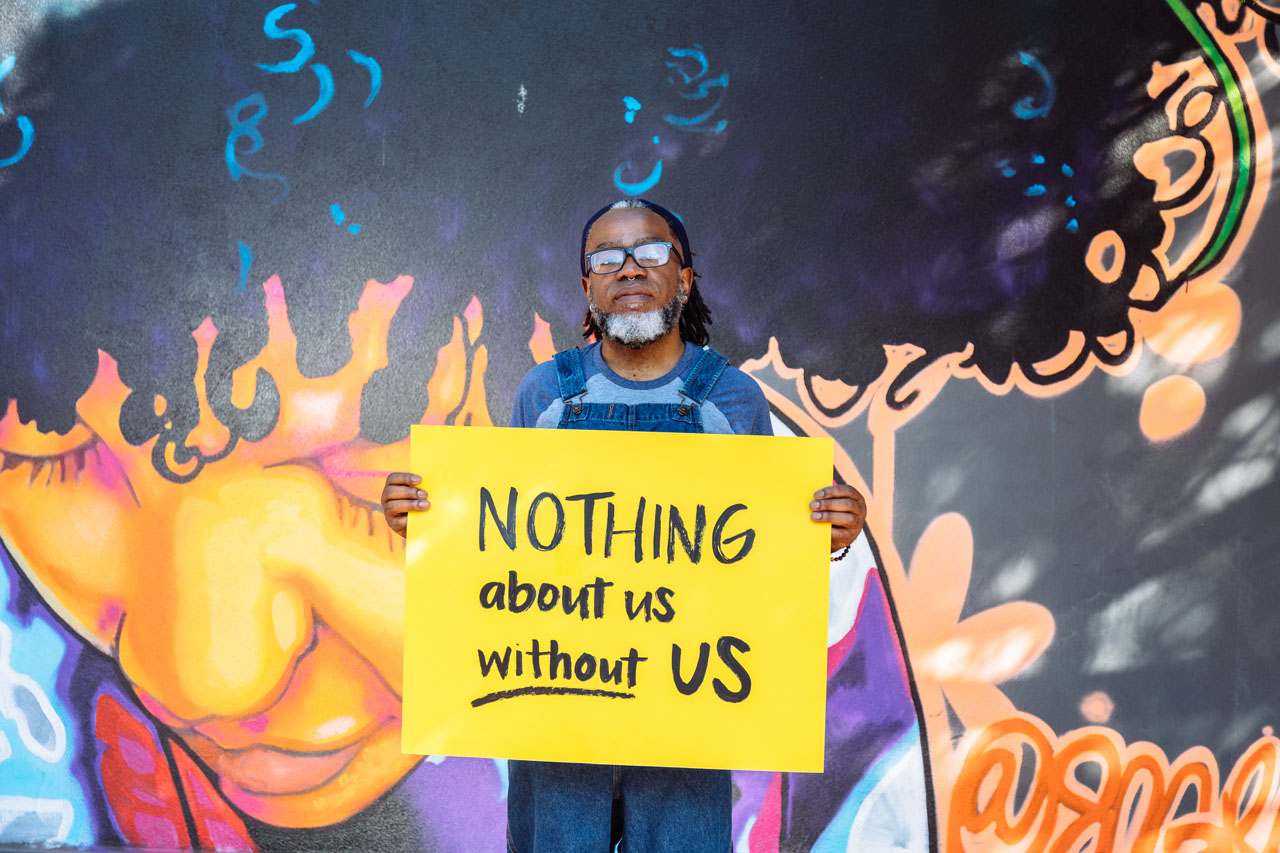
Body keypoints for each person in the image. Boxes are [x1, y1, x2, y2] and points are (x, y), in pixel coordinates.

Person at [381, 198, 865, 852]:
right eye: (607, 258)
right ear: (587, 287)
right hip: (557, 714)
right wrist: (431, 526)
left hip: (686, 718)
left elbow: (763, 567)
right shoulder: (544, 395)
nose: (630, 269)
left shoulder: (731, 400)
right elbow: (507, 548)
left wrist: (827, 534)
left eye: (651, 253)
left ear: (684, 278)